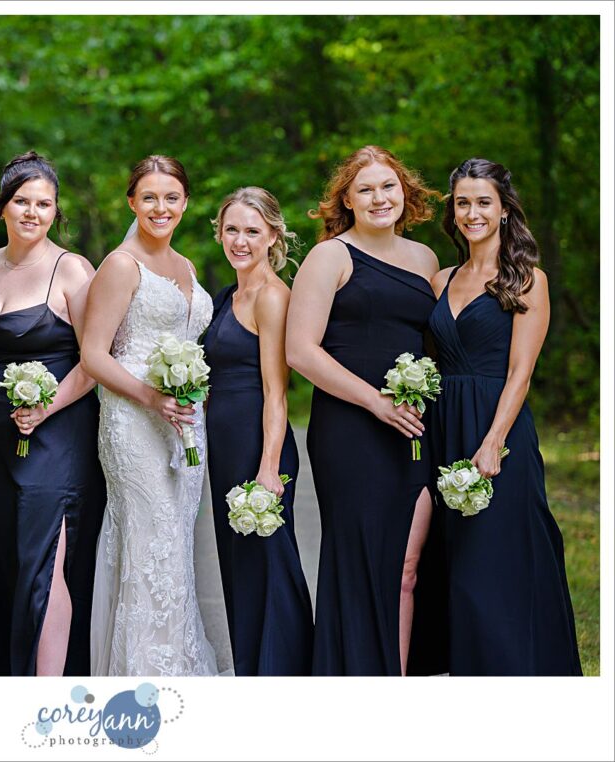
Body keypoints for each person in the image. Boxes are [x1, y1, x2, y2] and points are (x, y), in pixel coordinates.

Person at [285, 145, 442, 675]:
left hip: (413, 428)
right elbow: (300, 350)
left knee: (407, 565)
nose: (380, 197)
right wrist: (375, 401)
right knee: (359, 561)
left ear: (405, 192)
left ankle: (393, 682)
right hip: (351, 428)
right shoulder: (331, 256)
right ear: (347, 200)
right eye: (366, 189)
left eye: (388, 186)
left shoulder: (424, 260)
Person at [429, 158, 581, 675]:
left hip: (498, 431)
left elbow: (521, 371)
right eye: (463, 202)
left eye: (483, 202)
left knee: (497, 563)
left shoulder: (526, 280)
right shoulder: (440, 279)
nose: (472, 212)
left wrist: (493, 440)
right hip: (445, 429)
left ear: (503, 209)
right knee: (456, 566)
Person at [0, 151, 105, 676]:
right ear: (2, 207)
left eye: (44, 203)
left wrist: (46, 408)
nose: (32, 212)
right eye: (22, 200)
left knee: (46, 562)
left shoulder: (73, 271)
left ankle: (48, 692)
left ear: (55, 210)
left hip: (58, 438)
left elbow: (94, 362)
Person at [83, 155, 218, 676]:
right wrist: (151, 396)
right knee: (150, 537)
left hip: (184, 420)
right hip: (134, 420)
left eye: (171, 198)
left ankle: (178, 662)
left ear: (185, 202)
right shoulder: (120, 265)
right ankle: (145, 674)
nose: (160, 208)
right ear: (131, 203)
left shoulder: (185, 266)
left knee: (177, 541)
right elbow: (94, 355)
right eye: (149, 198)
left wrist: (188, 394)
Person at [204, 187, 313, 675]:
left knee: (269, 560)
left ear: (273, 235)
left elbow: (277, 392)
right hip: (224, 445)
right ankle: (251, 668)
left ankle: (284, 671)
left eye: (252, 231)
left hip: (257, 444)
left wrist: (269, 468)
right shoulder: (229, 296)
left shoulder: (272, 297)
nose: (240, 240)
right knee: (239, 562)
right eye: (232, 229)